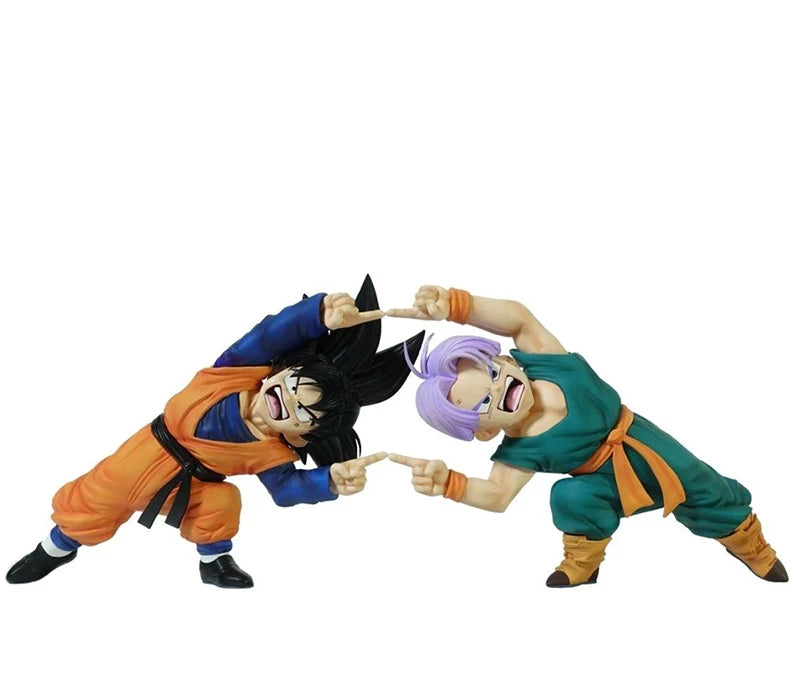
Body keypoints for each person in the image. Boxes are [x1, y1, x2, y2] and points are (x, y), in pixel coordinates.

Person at [7, 276, 423, 589]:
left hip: (194, 486)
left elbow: (285, 490)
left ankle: (214, 562)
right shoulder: (234, 370)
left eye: (303, 412)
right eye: (293, 385)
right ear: (279, 371)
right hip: (146, 455)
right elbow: (268, 335)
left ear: (304, 433)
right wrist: (316, 314)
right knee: (96, 497)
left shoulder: (273, 453)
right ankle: (55, 548)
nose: (287, 401)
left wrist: (328, 481)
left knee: (223, 502)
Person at [387, 285, 787, 587]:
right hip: (602, 483)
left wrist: (459, 305)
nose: (499, 388)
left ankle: (746, 541)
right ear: (485, 430)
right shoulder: (520, 449)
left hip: (643, 445)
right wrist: (449, 484)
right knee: (569, 497)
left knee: (701, 482)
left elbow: (519, 318)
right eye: (484, 403)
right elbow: (496, 495)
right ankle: (583, 560)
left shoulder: (549, 363)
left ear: (506, 360)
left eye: (492, 373)